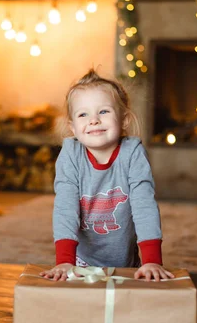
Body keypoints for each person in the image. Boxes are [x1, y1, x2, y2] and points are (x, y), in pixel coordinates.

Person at [39, 69, 174, 282]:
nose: (93, 120)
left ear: (124, 119)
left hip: (128, 264)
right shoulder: (71, 155)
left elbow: (144, 206)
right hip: (80, 263)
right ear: (72, 127)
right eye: (83, 114)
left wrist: (152, 260)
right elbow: (65, 208)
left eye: (103, 111)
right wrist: (65, 261)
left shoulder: (132, 153)